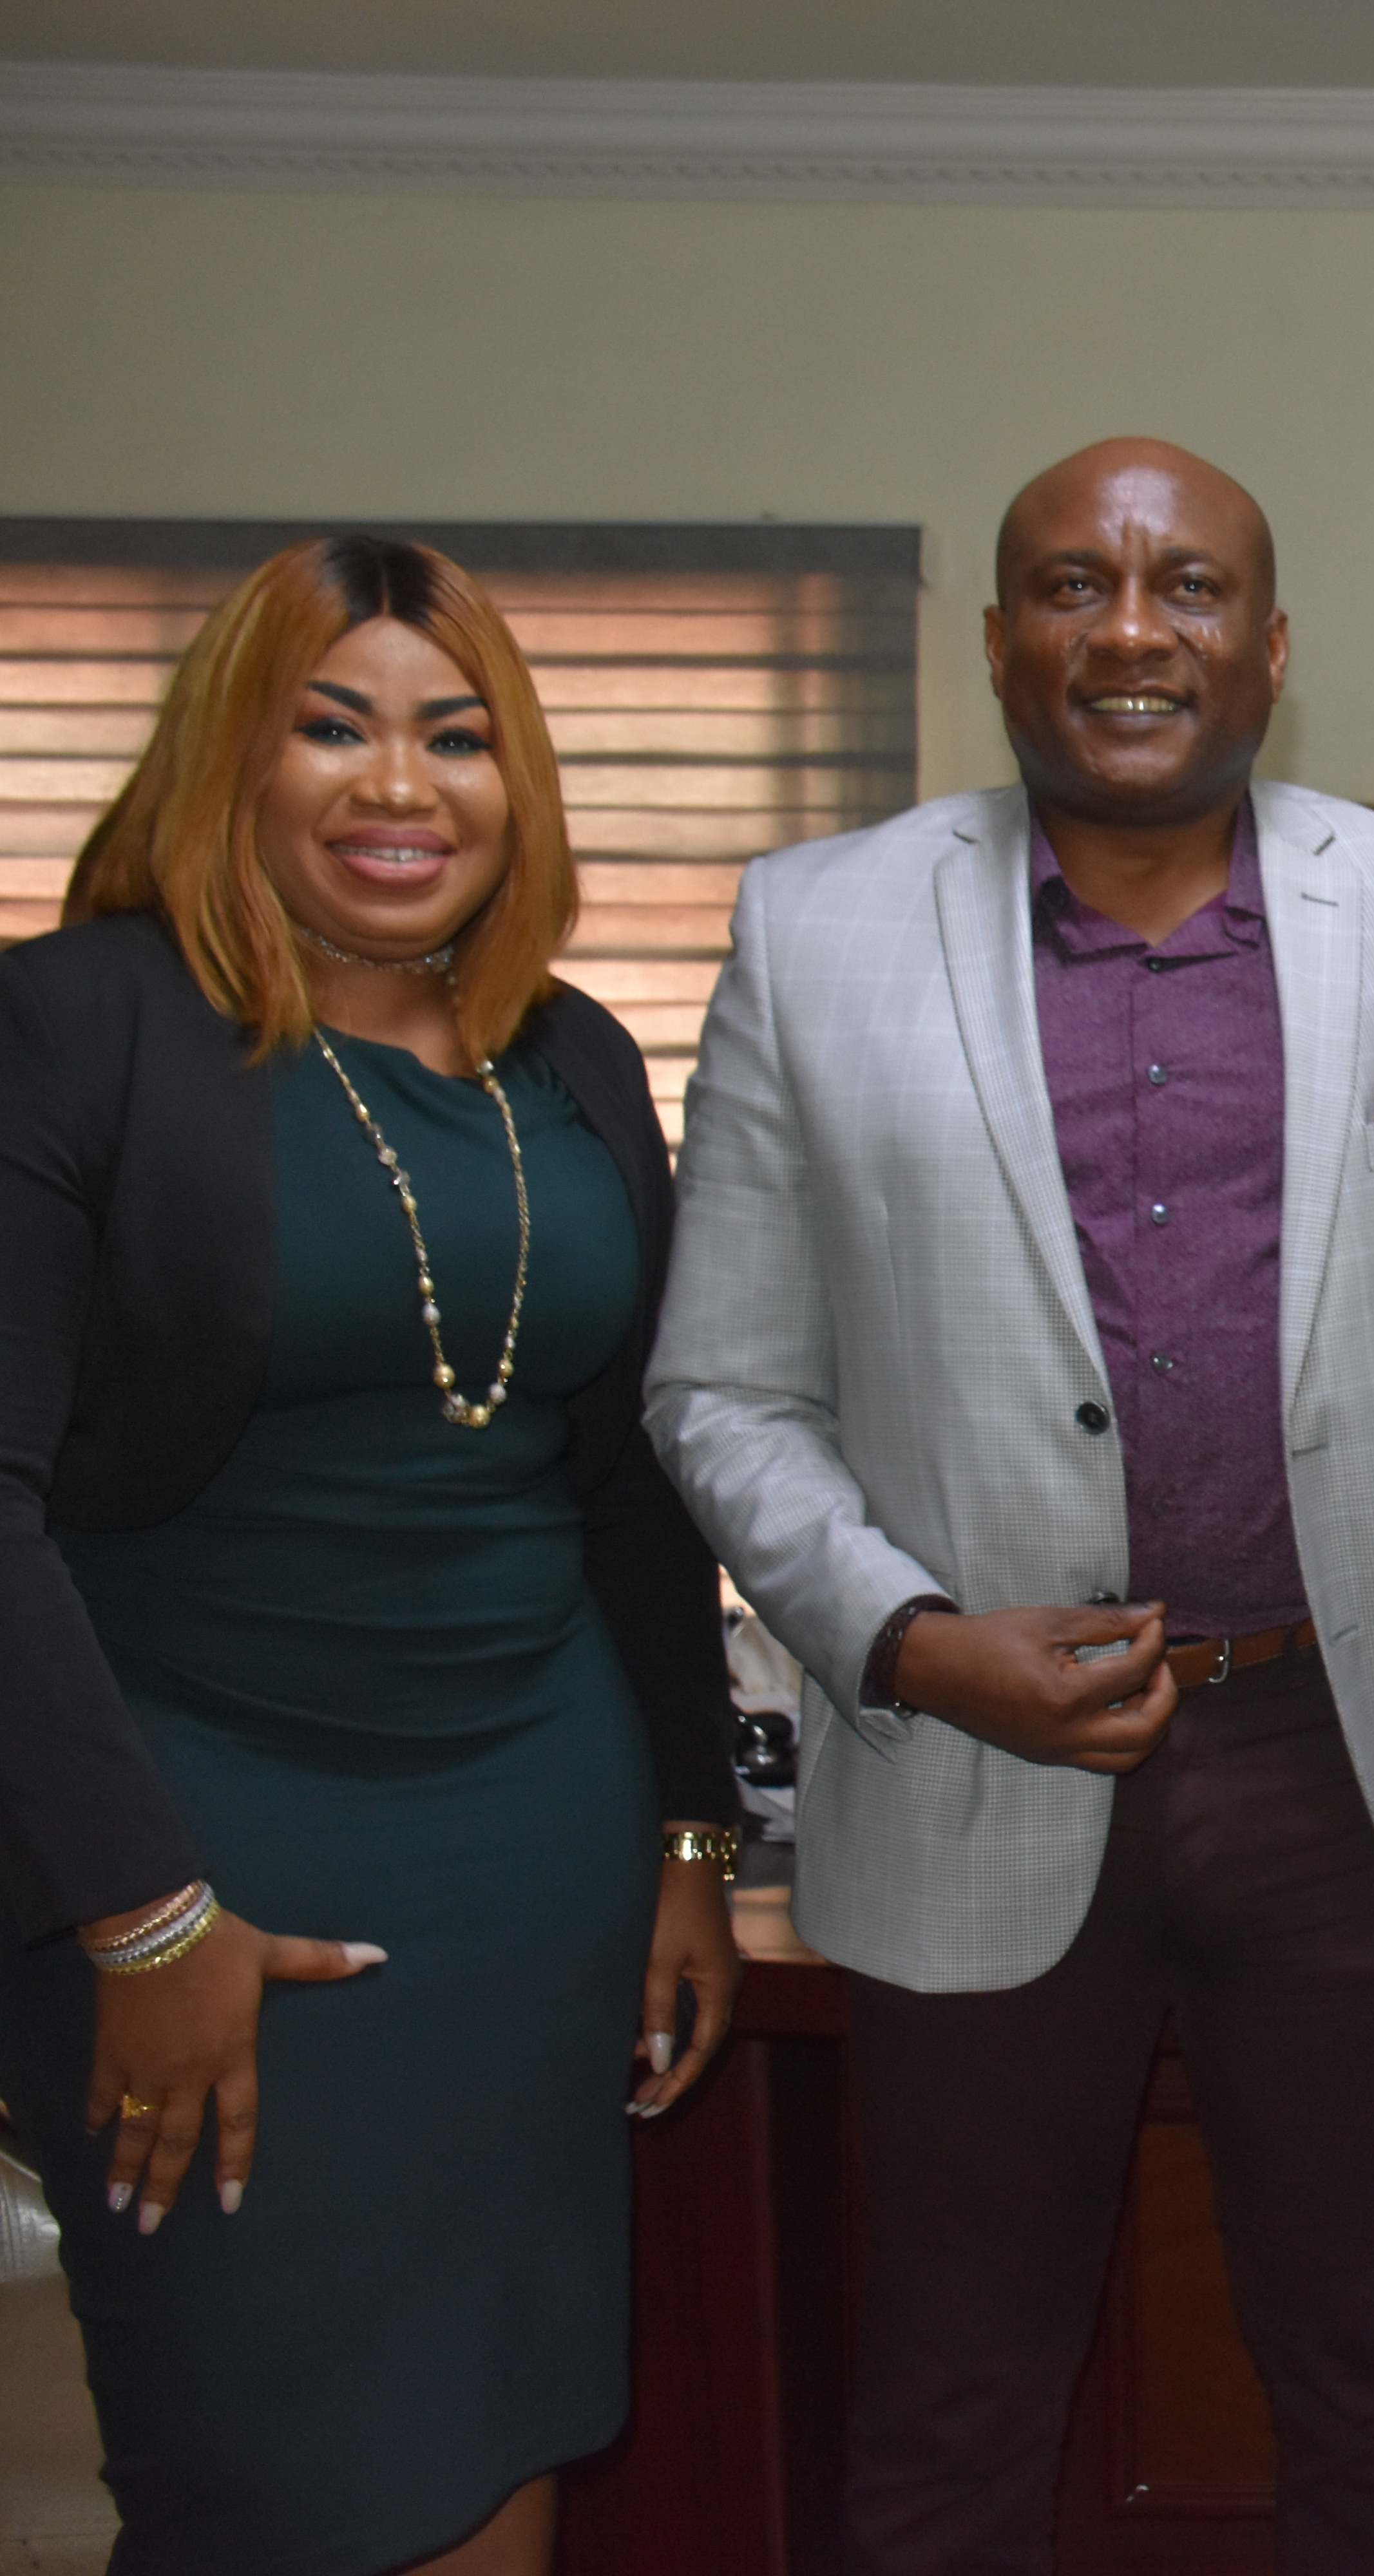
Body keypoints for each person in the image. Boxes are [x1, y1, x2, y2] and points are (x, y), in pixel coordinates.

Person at [645, 437, 1374, 2575]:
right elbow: (723, 1384)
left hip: (1342, 1764)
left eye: (1187, 590)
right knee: (960, 2400)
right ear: (1000, 643)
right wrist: (904, 1638)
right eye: (1075, 585)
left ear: (1269, 645)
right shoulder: (815, 928)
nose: (1132, 629)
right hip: (968, 1755)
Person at [0, 535, 743, 2574]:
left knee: (501, 2417)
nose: (397, 783)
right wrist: (136, 1919)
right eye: (329, 726)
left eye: (454, 732)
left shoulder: (570, 1057)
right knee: (254, 2469)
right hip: (189, 1853)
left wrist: (688, 1839)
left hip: (534, 1846)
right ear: (226, 758)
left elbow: (629, 1484)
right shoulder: (76, 1029)